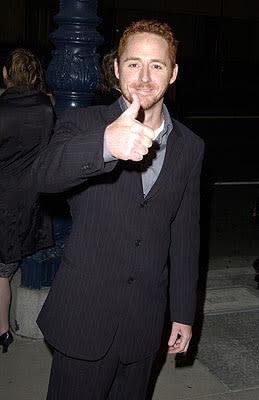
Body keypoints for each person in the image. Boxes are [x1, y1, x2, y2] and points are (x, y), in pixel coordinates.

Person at [33, 19, 204, 399]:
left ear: (173, 73)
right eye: (133, 64)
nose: (144, 77)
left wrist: (183, 312)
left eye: (156, 65)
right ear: (115, 69)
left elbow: (185, 235)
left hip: (144, 324)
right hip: (84, 318)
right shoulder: (83, 124)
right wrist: (104, 145)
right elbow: (42, 177)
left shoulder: (190, 147)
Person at [0, 48, 55, 353]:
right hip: (30, 201)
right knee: (3, 272)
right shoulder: (46, 108)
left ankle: (3, 330)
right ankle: (3, 331)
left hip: (3, 199)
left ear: (6, 74)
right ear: (34, 76)